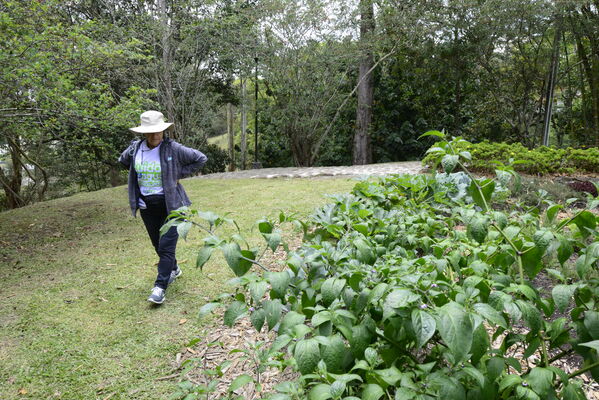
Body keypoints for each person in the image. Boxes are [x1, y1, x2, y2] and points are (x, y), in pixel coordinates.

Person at [119, 110, 207, 304]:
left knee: (166, 246)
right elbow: (123, 161)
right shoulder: (136, 149)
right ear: (143, 133)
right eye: (150, 132)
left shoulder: (172, 148)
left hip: (172, 206)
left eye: (158, 131)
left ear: (163, 130)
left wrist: (177, 174)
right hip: (147, 206)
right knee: (157, 244)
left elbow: (200, 158)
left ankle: (159, 287)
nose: (155, 136)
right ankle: (173, 268)